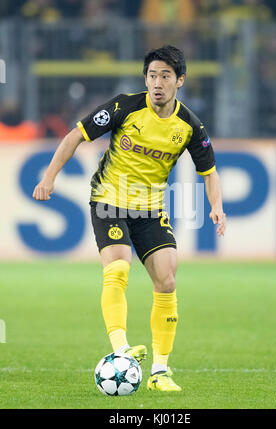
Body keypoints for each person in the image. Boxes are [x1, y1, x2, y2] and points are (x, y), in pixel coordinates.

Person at [32, 45, 226, 392]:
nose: (157, 82)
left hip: (150, 208)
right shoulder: (124, 106)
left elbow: (209, 172)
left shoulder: (190, 127)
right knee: (119, 266)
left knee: (167, 280)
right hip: (109, 200)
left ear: (180, 80)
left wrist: (217, 206)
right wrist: (49, 177)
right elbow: (76, 134)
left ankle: (160, 372)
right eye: (152, 75)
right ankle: (121, 351)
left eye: (165, 75)